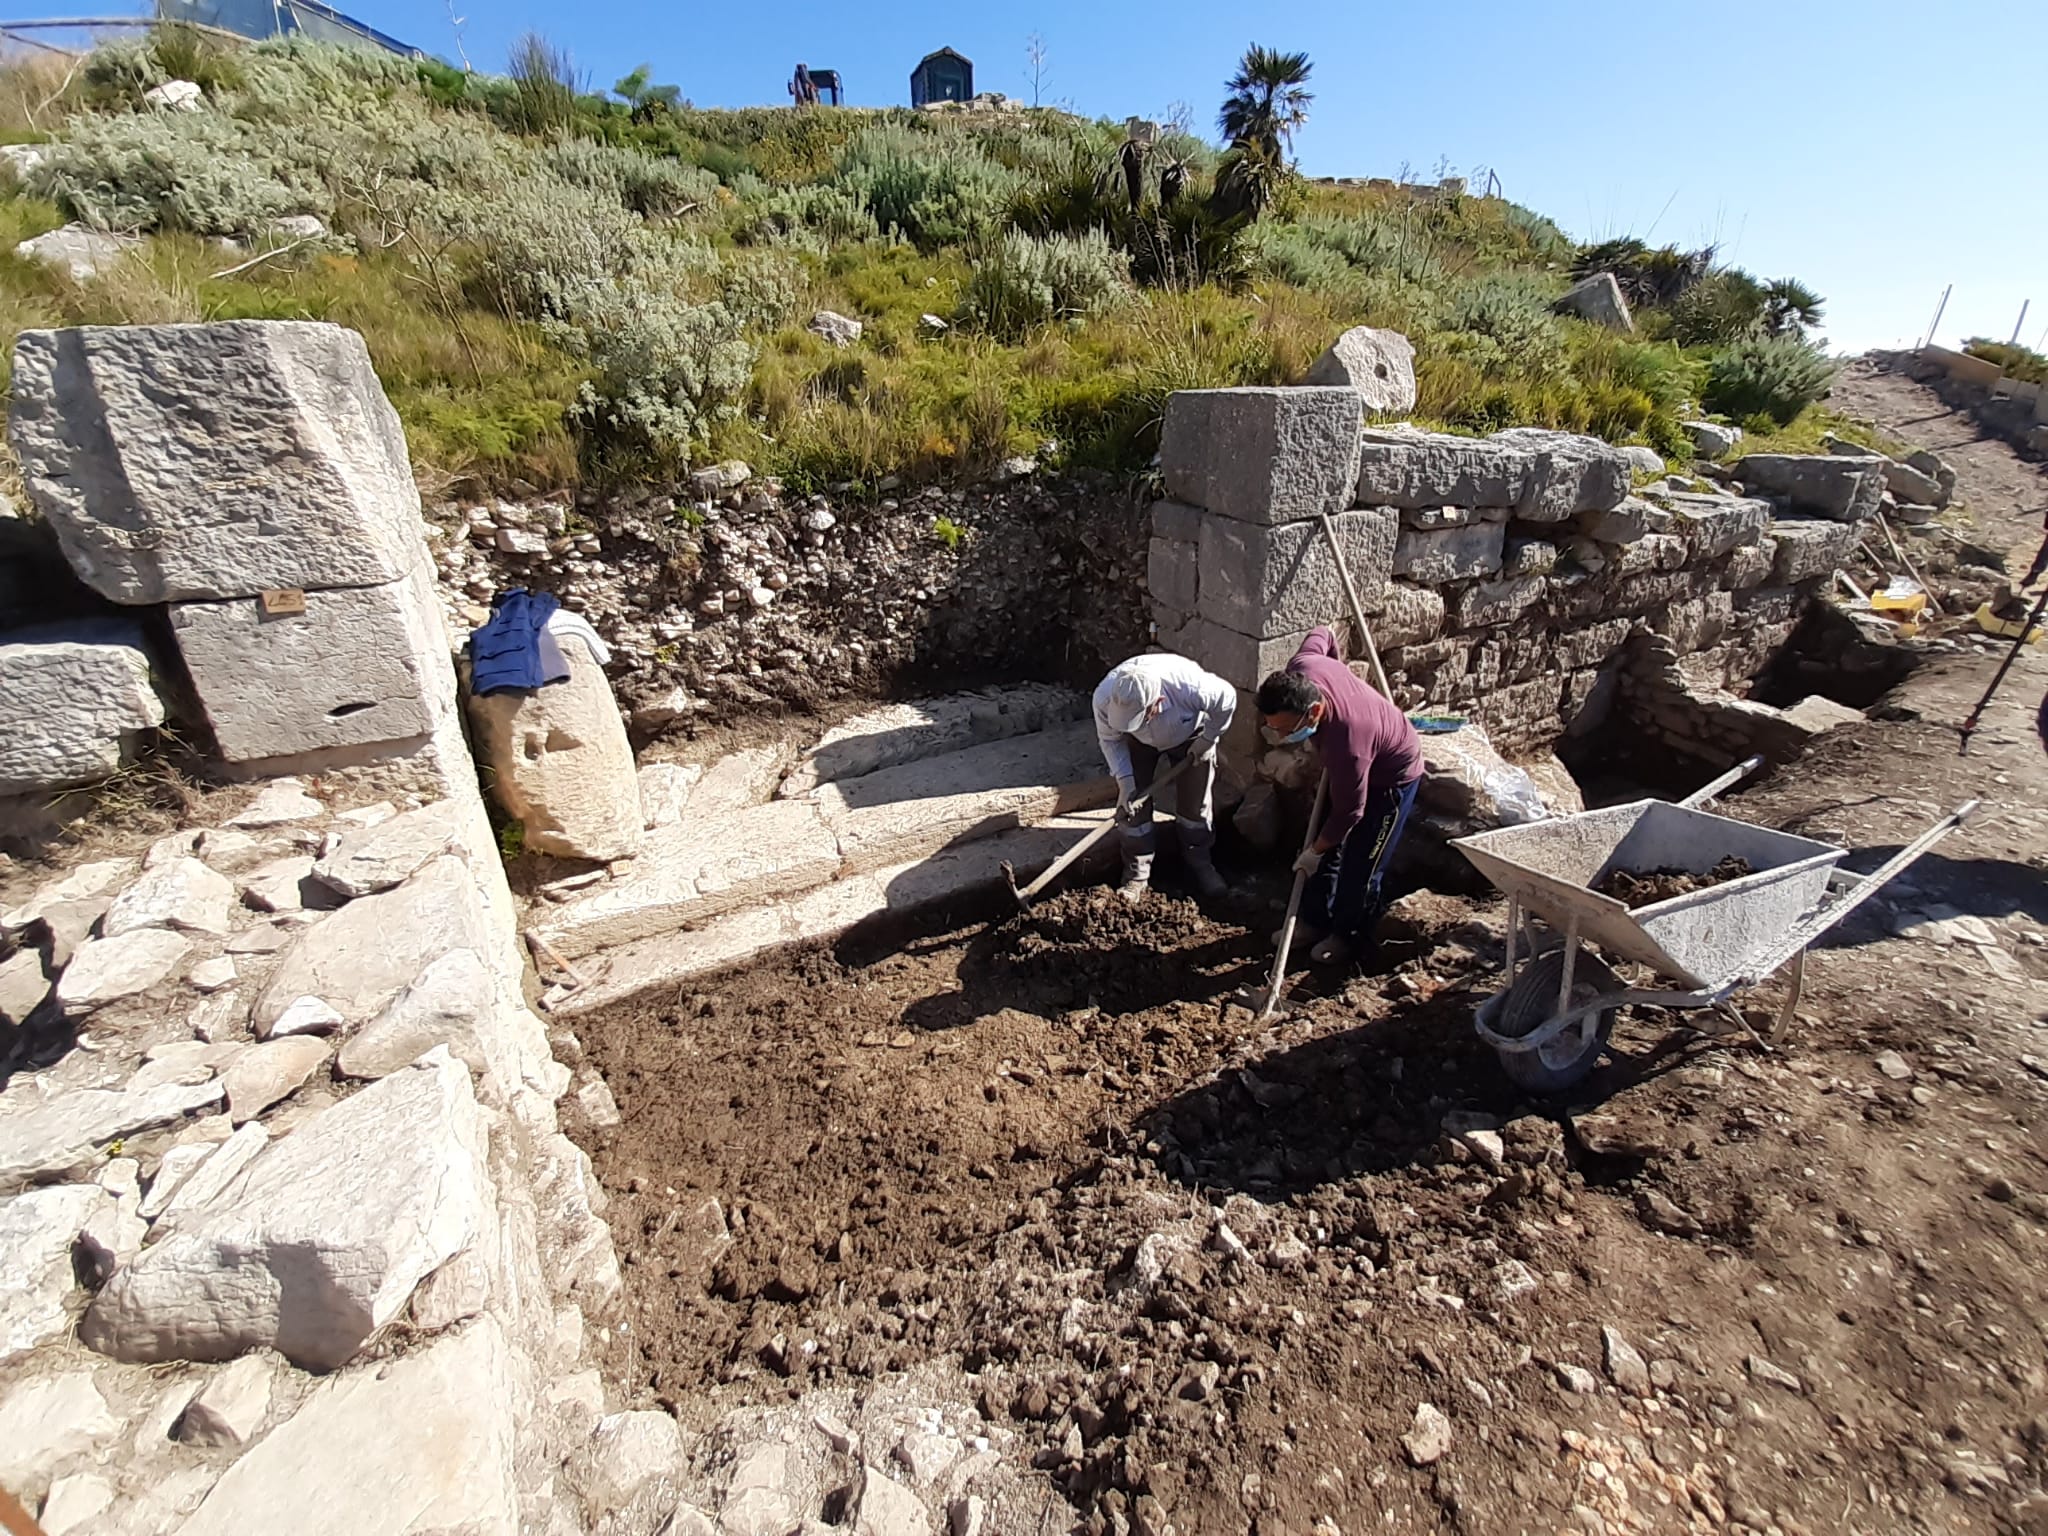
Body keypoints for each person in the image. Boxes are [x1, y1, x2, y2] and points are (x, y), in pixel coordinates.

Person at [1255, 626, 1422, 965]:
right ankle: (1315, 921)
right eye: (1273, 726)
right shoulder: (1304, 665)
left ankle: (1347, 936)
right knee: (1324, 844)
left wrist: (1313, 853)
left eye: (1286, 729)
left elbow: (1350, 811)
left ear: (1314, 712)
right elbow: (1324, 633)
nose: (1281, 735)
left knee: (1362, 861)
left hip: (1391, 779)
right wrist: (1339, 668)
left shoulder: (1347, 743)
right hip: (1351, 772)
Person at [1093, 653, 1237, 903]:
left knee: (1195, 804)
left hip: (1192, 734)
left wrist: (1208, 739)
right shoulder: (1104, 697)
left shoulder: (1192, 688)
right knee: (1132, 806)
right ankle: (1136, 874)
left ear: (1157, 703)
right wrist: (1125, 781)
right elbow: (1110, 740)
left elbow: (1227, 701)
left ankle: (1199, 864)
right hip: (1136, 744)